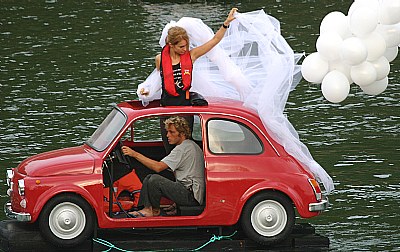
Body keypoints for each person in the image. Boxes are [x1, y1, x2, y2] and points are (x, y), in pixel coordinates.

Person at [139, 8, 238, 154]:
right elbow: (159, 80)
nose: (185, 49)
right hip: (166, 110)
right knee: (170, 150)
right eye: (181, 47)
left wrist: (226, 24)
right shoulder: (160, 59)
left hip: (185, 110)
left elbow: (214, 41)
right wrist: (147, 90)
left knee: (184, 150)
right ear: (171, 45)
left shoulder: (191, 56)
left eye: (186, 45)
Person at [121, 116, 205, 217]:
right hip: (190, 193)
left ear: (182, 134)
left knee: (154, 180)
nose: (167, 135)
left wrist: (134, 154)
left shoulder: (182, 149)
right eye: (167, 132)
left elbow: (158, 167)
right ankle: (147, 208)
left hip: (191, 197)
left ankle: (151, 210)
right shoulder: (189, 145)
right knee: (149, 178)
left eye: (172, 132)